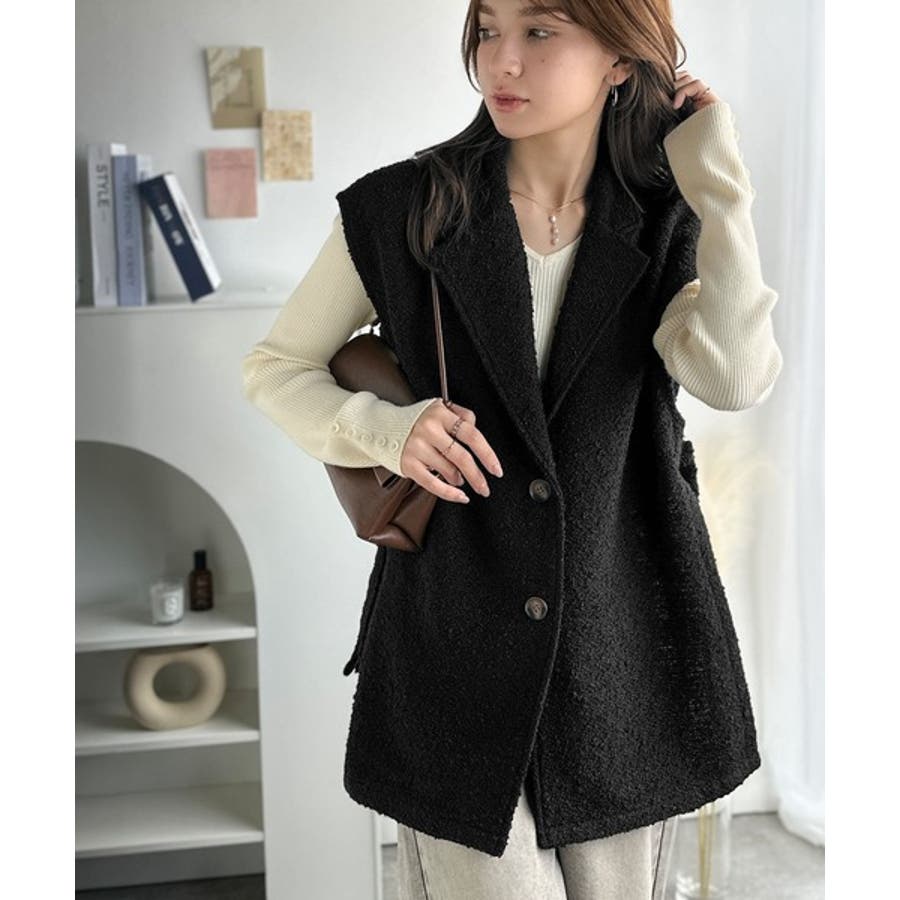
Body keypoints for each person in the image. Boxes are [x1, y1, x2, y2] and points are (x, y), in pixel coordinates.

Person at [242, 0, 783, 897]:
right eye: (488, 30)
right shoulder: (404, 209)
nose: (502, 60)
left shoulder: (665, 218)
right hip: (452, 647)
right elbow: (276, 368)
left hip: (621, 656)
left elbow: (734, 376)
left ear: (621, 58)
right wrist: (387, 430)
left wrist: (717, 179)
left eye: (540, 31)